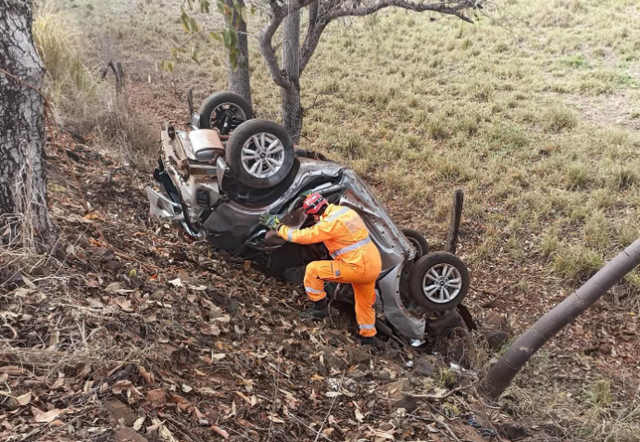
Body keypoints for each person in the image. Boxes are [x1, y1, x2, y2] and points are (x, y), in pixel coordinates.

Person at [259, 193, 382, 345]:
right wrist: (311, 197)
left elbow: (299, 236)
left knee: (313, 270)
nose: (314, 219)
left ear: (316, 213)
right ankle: (368, 339)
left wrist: (277, 226)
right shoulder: (345, 211)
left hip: (356, 267)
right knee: (364, 303)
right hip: (373, 264)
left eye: (313, 216)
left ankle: (319, 309)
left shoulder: (328, 224)